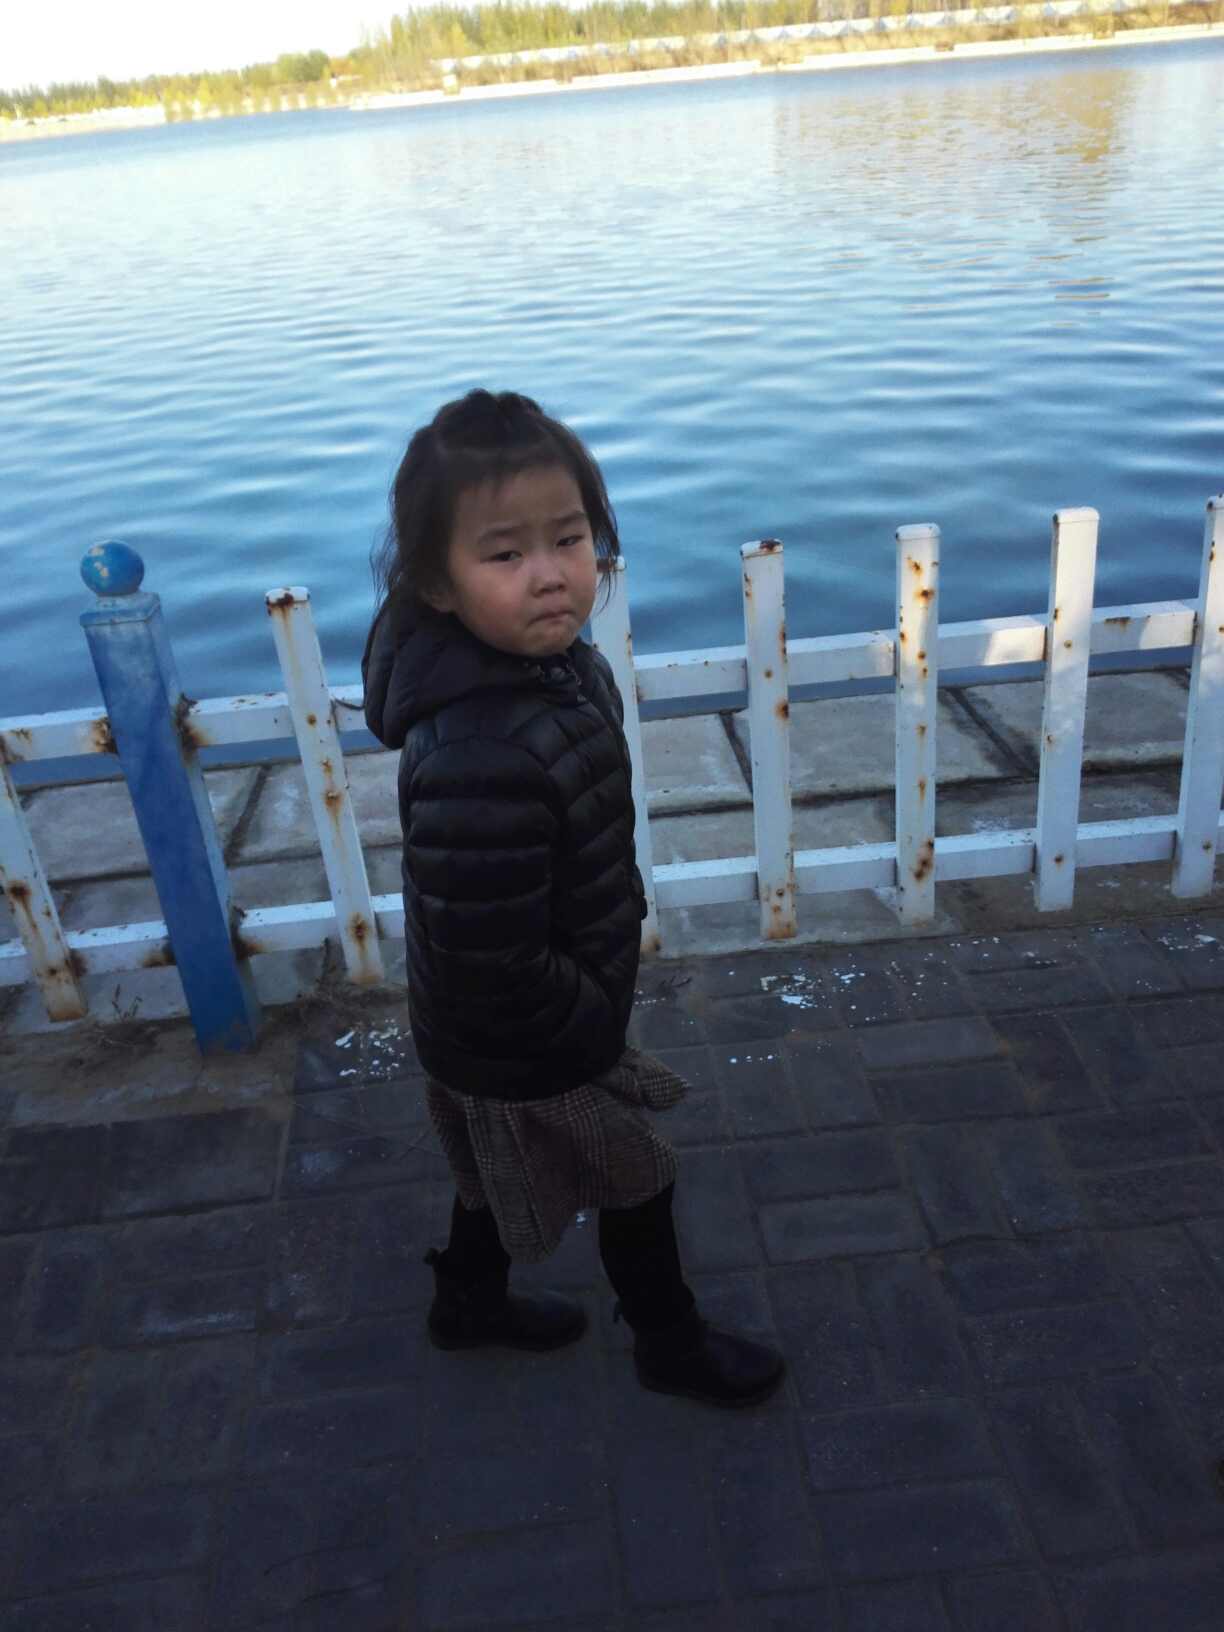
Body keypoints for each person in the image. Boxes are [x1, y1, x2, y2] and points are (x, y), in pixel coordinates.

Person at [362, 389, 784, 1408]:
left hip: (518, 1027)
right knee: (637, 1176)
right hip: (527, 1035)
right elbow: (490, 956)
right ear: (437, 582)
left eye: (569, 538)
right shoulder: (478, 748)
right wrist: (585, 1021)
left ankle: (467, 1305)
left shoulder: (550, 670)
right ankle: (668, 1345)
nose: (550, 573)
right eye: (505, 554)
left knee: (484, 1171)